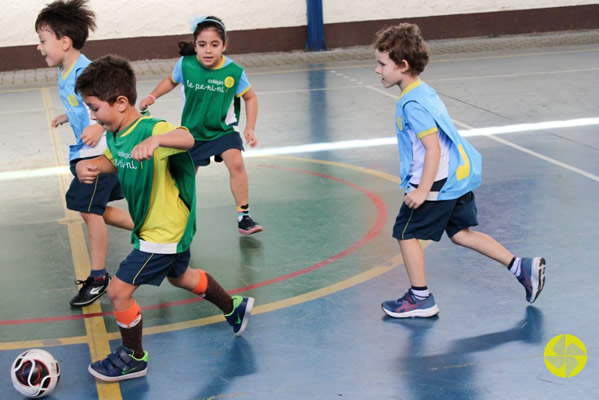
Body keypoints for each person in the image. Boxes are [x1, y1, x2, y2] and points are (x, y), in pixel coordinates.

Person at [74, 54, 255, 381]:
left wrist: (158, 140)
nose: (92, 115)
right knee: (181, 277)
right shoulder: (117, 133)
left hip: (164, 233)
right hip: (155, 228)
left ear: (120, 102)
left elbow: (187, 138)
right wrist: (89, 166)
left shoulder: (149, 127)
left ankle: (134, 357)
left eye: (94, 107)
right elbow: (114, 159)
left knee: (118, 292)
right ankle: (235, 308)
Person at [373, 23, 546, 318]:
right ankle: (521, 267)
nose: (377, 70)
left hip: (436, 183)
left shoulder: (411, 104)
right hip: (455, 178)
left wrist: (423, 190)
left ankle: (420, 298)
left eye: (381, 64)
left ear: (402, 66)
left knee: (405, 232)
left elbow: (433, 149)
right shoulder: (423, 91)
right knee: (461, 233)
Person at [35, 0, 134, 307]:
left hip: (99, 153)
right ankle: (151, 229)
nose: (39, 48)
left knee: (90, 212)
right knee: (92, 208)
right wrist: (70, 116)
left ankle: (98, 277)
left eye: (42, 40)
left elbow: (110, 104)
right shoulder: (66, 70)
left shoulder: (84, 70)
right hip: (86, 153)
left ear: (64, 42)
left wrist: (98, 127)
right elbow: (82, 102)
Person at [139, 16, 263, 235]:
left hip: (221, 131)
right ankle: (177, 216)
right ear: (195, 45)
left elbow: (250, 98)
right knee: (185, 177)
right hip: (192, 134)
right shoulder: (186, 65)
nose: (208, 51)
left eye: (214, 45)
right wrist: (152, 96)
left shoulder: (234, 72)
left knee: (236, 163)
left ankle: (244, 216)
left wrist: (250, 127)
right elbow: (170, 80)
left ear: (224, 46)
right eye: (202, 45)